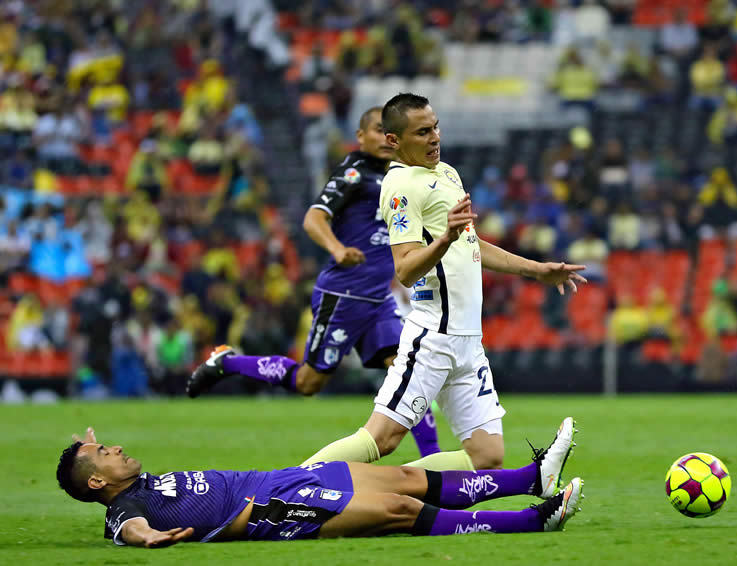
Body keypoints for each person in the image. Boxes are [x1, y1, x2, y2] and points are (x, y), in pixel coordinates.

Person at [298, 93, 586, 473]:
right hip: (433, 337)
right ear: (394, 141)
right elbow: (405, 269)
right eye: (422, 132)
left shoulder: (447, 173)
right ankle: (281, 490)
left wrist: (537, 270)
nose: (434, 137)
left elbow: (473, 243)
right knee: (380, 439)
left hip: (468, 341)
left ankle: (394, 488)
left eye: (435, 127)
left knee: (487, 457)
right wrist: (444, 240)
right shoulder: (400, 186)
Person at [186, 107, 445, 461]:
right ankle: (228, 363)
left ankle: (435, 459)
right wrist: (337, 249)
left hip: (377, 297)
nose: (385, 139)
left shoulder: (401, 176)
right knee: (309, 383)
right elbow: (314, 217)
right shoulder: (353, 173)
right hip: (343, 295)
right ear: (361, 136)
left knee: (406, 367)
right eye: (377, 131)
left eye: (391, 133)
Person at [56, 424, 583, 547]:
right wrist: (145, 539)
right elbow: (130, 529)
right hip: (269, 507)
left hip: (278, 477)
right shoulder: (123, 509)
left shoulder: (133, 479)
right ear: (100, 481)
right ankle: (535, 519)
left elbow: (98, 472)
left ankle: (530, 478)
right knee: (398, 508)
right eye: (105, 454)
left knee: (407, 477)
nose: (116, 448)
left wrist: (87, 452)